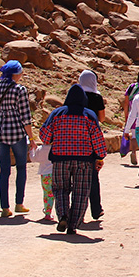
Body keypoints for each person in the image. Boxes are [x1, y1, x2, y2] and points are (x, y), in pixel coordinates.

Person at [40, 85, 107, 235]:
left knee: (60, 189)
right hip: (84, 161)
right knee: (81, 191)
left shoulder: (57, 114)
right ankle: (73, 224)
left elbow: (44, 136)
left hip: (60, 159)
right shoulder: (89, 115)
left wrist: (54, 139)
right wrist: (100, 155)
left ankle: (63, 214)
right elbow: (97, 138)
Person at [0, 60, 36, 218]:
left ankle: (4, 207)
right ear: (16, 74)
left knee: (4, 170)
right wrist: (31, 137)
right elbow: (25, 116)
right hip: (16, 132)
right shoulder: (19, 90)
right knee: (21, 167)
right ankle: (19, 203)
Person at [78, 70, 106, 220]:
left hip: (74, 137)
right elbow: (102, 118)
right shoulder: (97, 97)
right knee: (93, 176)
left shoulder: (75, 94)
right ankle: (96, 209)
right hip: (91, 138)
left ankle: (76, 211)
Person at [121, 70, 139, 166]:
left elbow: (126, 102)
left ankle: (133, 152)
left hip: (132, 114)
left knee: (134, 135)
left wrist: (126, 115)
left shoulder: (131, 87)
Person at [30, 142, 54, 222]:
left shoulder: (40, 149)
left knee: (47, 194)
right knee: (59, 193)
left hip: (44, 174)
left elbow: (33, 159)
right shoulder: (55, 148)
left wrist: (32, 150)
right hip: (55, 173)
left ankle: (47, 213)